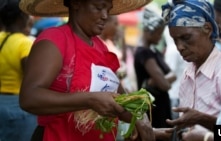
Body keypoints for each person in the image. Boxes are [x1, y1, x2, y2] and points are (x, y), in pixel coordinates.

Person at [18, 0, 155, 141]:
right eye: (99, 7)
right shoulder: (55, 39)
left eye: (108, 10)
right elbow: (29, 98)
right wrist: (89, 99)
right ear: (76, 3)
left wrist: (140, 120)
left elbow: (119, 100)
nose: (105, 16)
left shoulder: (100, 46)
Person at [162, 0, 221, 141]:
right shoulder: (188, 73)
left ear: (208, 29)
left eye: (186, 38)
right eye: (175, 40)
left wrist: (206, 132)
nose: (180, 47)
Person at [134, 8, 177, 138]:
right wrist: (162, 80)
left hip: (161, 104)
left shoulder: (154, 52)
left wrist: (155, 81)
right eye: (158, 33)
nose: (160, 37)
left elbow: (173, 75)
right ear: (148, 32)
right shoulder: (144, 53)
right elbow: (165, 85)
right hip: (154, 108)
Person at [0, 0, 37, 141]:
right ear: (22, 17)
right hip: (18, 107)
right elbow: (32, 78)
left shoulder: (1, 38)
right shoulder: (24, 43)